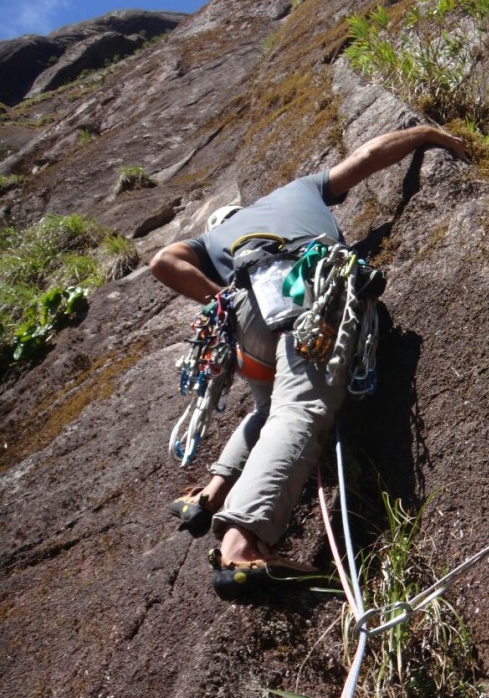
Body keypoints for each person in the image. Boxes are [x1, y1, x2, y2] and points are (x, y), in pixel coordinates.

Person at [150, 124, 468, 591]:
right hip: (310, 284)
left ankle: (212, 492)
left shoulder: (212, 242)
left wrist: (222, 298)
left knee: (269, 409)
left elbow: (163, 262)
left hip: (246, 316)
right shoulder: (298, 190)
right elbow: (371, 154)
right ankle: (244, 544)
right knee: (299, 407)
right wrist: (427, 133)